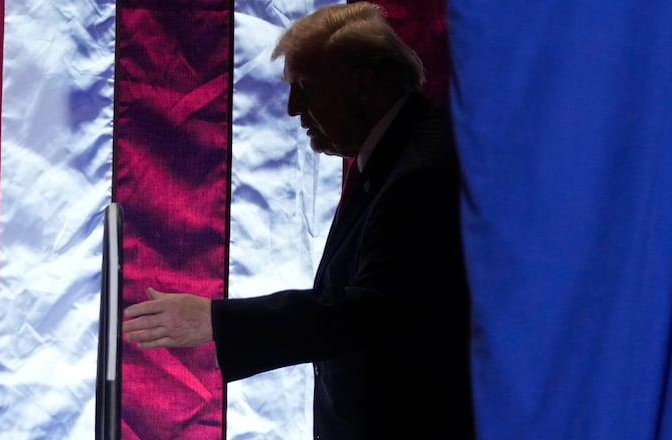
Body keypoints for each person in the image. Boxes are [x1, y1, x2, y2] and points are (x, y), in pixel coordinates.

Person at [123, 3, 474, 438]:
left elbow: (370, 314)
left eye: (307, 88)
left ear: (363, 86)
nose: (292, 109)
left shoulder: (420, 171)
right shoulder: (394, 155)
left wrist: (216, 320)